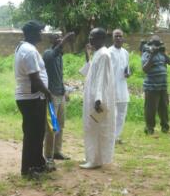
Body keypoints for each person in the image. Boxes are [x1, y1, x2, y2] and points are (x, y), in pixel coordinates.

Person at [14, 20, 52, 178]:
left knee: (38, 132)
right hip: (31, 98)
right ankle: (28, 170)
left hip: (32, 97)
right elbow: (35, 79)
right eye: (38, 31)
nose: (41, 34)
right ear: (30, 34)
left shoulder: (24, 47)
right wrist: (47, 92)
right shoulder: (29, 51)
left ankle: (38, 164)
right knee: (32, 134)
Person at [79, 28, 116, 169]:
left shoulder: (104, 55)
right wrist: (87, 55)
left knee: (96, 128)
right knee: (91, 127)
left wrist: (98, 99)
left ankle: (95, 160)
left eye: (92, 37)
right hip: (92, 97)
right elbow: (90, 72)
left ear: (101, 39)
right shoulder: (98, 53)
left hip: (97, 99)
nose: (89, 39)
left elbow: (102, 79)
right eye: (89, 36)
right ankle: (92, 156)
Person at [43, 32, 74, 165]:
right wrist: (66, 40)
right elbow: (56, 51)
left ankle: (57, 152)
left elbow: (59, 76)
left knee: (60, 125)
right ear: (50, 40)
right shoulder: (48, 54)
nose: (59, 39)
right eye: (56, 38)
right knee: (52, 127)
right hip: (51, 96)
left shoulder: (59, 56)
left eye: (61, 37)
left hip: (60, 94)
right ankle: (48, 156)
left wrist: (64, 90)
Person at [142, 35, 170, 135]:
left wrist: (163, 53)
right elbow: (145, 69)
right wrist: (152, 55)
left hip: (163, 86)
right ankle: (149, 128)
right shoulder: (146, 54)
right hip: (151, 87)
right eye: (155, 45)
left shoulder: (162, 54)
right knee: (150, 109)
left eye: (158, 44)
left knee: (164, 108)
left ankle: (165, 127)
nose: (157, 46)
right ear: (151, 45)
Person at [108, 29, 130, 144]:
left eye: (120, 36)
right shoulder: (108, 52)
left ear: (123, 38)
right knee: (113, 114)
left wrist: (128, 74)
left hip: (122, 87)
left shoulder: (125, 52)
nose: (118, 38)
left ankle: (116, 136)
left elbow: (127, 69)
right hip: (111, 87)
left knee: (122, 113)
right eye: (116, 36)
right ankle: (110, 136)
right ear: (112, 38)